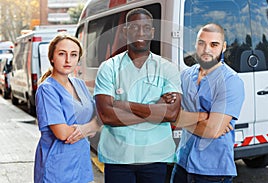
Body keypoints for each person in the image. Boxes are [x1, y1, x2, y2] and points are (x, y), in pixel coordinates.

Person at [94, 8, 182, 183]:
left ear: (152, 32)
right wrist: (155, 111)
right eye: (134, 28)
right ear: (125, 31)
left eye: (146, 28)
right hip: (118, 157)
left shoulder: (167, 68)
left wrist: (123, 105)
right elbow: (106, 115)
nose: (140, 33)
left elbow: (171, 114)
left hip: (155, 158)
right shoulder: (109, 68)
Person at [170, 23, 245, 183]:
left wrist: (182, 120)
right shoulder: (185, 75)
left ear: (223, 47)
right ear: (195, 44)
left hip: (212, 172)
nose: (207, 49)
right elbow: (169, 114)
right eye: (202, 43)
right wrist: (202, 117)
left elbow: (212, 131)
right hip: (182, 163)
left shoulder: (231, 81)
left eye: (214, 44)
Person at [34, 33, 100, 183]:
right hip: (57, 168)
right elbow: (62, 133)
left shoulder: (80, 85)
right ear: (52, 57)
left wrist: (91, 126)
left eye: (74, 54)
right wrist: (92, 127)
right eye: (62, 54)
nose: (68, 60)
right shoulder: (47, 90)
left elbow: (99, 115)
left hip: (81, 165)